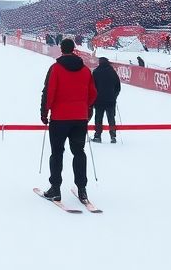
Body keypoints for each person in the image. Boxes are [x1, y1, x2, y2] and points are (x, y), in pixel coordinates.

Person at [39, 38, 97, 203]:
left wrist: (44, 113)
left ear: (61, 50)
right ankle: (82, 189)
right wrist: (86, 109)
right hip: (79, 118)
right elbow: (92, 94)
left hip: (59, 118)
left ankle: (55, 189)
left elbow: (48, 92)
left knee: (57, 154)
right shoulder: (85, 70)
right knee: (79, 152)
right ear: (74, 49)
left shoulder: (56, 69)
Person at [91, 56, 121, 143]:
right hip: (110, 100)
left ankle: (97, 136)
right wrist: (114, 96)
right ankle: (113, 136)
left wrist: (94, 98)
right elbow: (118, 87)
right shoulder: (112, 72)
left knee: (98, 118)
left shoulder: (96, 72)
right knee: (111, 118)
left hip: (99, 100)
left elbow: (92, 87)